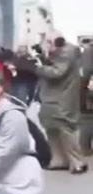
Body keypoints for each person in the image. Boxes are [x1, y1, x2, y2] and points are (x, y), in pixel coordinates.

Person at [34, 37, 88, 174]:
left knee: (65, 128)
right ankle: (59, 160)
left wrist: (37, 67)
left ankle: (76, 162)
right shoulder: (63, 53)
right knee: (53, 129)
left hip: (61, 98)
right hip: (56, 98)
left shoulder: (65, 54)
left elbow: (57, 72)